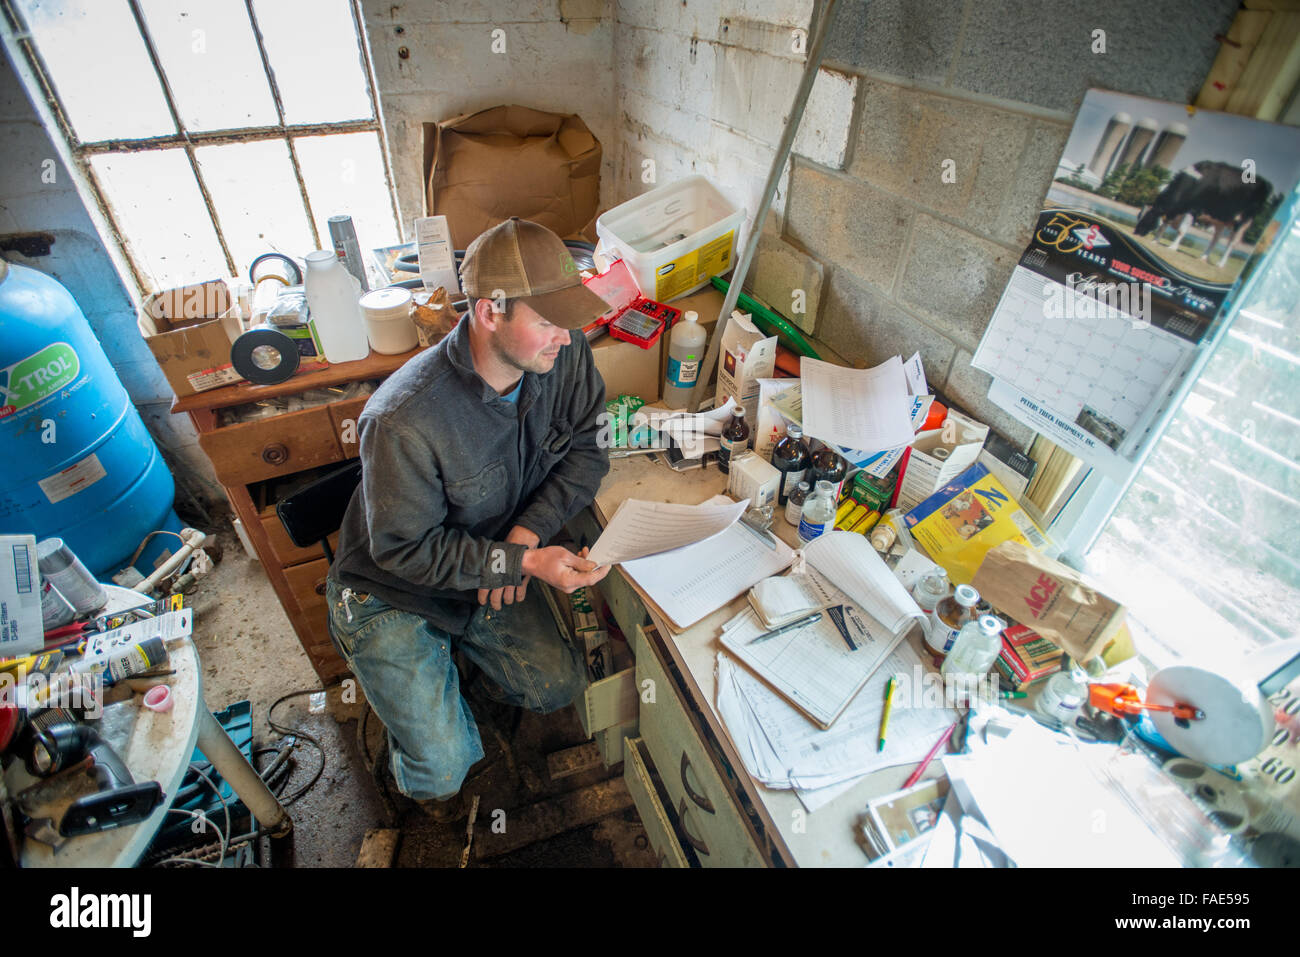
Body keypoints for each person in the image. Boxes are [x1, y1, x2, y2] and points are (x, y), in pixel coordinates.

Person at [325, 217, 613, 817]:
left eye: (568, 318)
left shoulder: (565, 353)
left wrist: (522, 539)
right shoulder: (403, 418)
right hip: (391, 588)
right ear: (490, 312)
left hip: (490, 556)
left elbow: (587, 451)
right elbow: (404, 550)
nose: (566, 336)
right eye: (547, 321)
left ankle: (446, 683)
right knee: (443, 772)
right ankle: (416, 734)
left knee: (554, 689)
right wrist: (521, 563)